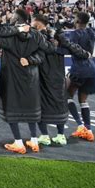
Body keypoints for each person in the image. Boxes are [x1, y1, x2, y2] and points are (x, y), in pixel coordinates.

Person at [0, 9, 55, 154]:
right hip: (31, 78)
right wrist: (31, 60)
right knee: (31, 108)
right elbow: (47, 51)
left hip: (12, 77)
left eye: (13, 16)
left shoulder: (11, 35)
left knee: (11, 108)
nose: (10, 17)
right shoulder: (37, 35)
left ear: (17, 19)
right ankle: (33, 140)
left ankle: (19, 142)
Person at [30, 14, 90, 146]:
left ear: (38, 23)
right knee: (60, 104)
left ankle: (45, 136)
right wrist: (85, 54)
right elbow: (71, 46)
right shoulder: (58, 36)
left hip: (43, 75)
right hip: (57, 76)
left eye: (32, 22)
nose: (30, 24)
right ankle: (61, 135)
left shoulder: (36, 36)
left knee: (40, 105)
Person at [67, 10, 95, 142]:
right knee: (83, 100)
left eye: (75, 18)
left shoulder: (75, 34)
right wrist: (94, 14)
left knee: (67, 95)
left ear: (77, 21)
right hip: (91, 68)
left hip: (79, 68)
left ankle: (80, 125)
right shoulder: (92, 31)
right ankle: (88, 130)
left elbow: (72, 48)